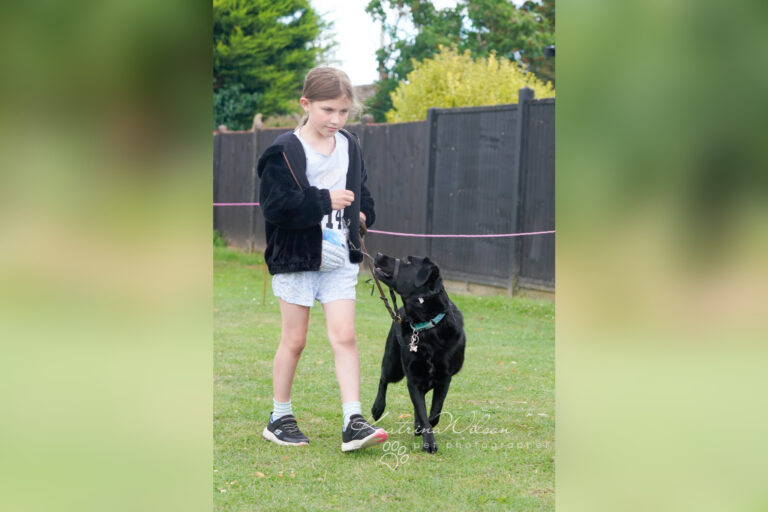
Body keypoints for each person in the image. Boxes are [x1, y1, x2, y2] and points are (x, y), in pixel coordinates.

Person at [255, 67, 388, 452]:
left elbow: (361, 193)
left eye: (344, 111)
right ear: (306, 104)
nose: (336, 120)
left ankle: (354, 421)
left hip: (339, 261)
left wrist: (363, 216)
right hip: (296, 258)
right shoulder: (283, 151)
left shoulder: (350, 145)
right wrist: (323, 200)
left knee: (345, 336)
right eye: (328, 110)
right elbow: (274, 207)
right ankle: (279, 417)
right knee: (294, 341)